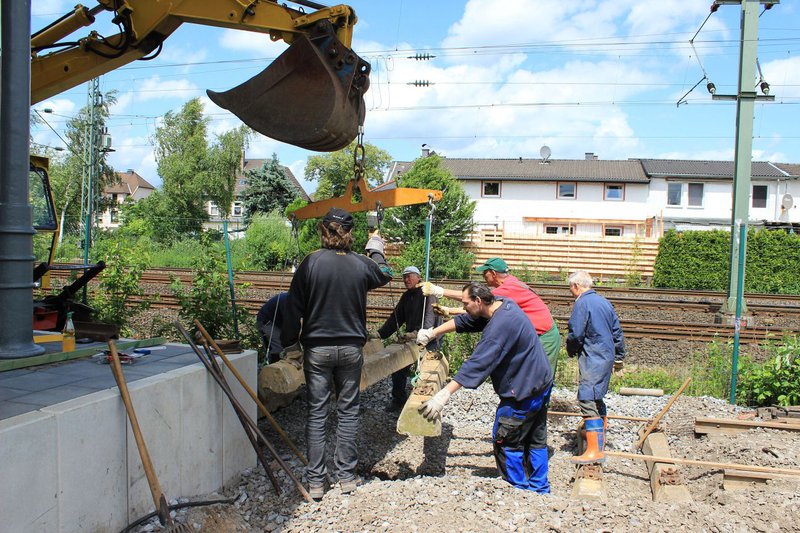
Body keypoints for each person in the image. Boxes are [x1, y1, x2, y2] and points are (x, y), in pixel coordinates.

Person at [281, 207, 392, 500]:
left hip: (317, 351)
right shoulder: (361, 264)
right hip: (351, 351)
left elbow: (293, 307)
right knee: (348, 412)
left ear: (323, 231)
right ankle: (346, 478)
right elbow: (385, 274)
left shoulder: (310, 263)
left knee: (317, 413)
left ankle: (316, 483)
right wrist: (376, 247)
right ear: (350, 233)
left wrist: (291, 344)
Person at [416, 282, 553, 493]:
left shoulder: (499, 328)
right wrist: (433, 332)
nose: (464, 307)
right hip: (540, 382)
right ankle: (540, 487)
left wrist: (443, 395)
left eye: (466, 303)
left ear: (479, 301)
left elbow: (478, 363)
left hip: (522, 391)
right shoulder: (504, 305)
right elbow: (468, 320)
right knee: (535, 439)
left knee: (507, 441)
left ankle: (518, 490)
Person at [420, 257, 561, 374]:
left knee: (540, 376)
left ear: (493, 273)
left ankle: (538, 406)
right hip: (536, 333)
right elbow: (480, 308)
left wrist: (438, 290)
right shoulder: (510, 284)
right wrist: (449, 310)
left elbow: (474, 300)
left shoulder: (508, 289)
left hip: (544, 336)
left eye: (485, 273)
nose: (483, 277)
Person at [565, 270, 625, 464]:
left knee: (587, 397)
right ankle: (600, 441)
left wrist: (571, 349)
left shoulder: (582, 303)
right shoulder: (604, 302)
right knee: (597, 396)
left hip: (593, 355)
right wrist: (619, 356)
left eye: (570, 288)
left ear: (576, 286)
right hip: (606, 356)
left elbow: (576, 333)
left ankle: (594, 451)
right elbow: (617, 331)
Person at [377, 265, 440, 412]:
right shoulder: (406, 296)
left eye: (410, 276)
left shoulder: (428, 295)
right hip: (411, 338)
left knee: (427, 373)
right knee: (398, 366)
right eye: (404, 277)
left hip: (429, 338)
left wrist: (418, 333)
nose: (406, 279)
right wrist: (380, 334)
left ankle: (426, 404)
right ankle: (399, 400)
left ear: (418, 277)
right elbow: (395, 319)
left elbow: (430, 321)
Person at [256, 292, 288, 364]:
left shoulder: (300, 301)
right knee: (277, 348)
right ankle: (273, 369)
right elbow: (289, 325)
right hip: (267, 321)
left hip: (278, 321)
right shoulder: (287, 301)